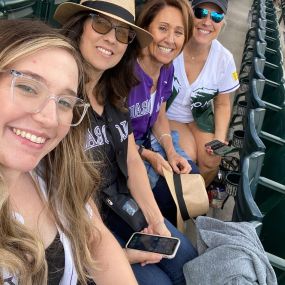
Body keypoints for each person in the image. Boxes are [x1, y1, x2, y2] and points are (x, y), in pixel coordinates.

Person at [54, 0, 198, 284]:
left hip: (119, 204)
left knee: (186, 258)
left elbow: (132, 159)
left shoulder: (115, 91)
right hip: (82, 225)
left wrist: (155, 219)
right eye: (101, 24)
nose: (111, 38)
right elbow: (69, 197)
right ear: (80, 25)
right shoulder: (60, 98)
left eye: (122, 33)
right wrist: (118, 254)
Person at [0, 19, 138, 285]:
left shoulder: (56, 164)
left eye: (65, 102)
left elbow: (94, 233)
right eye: (28, 87)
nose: (50, 119)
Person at [127, 0, 199, 225]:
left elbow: (159, 115)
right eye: (163, 28)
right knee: (170, 198)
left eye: (179, 32)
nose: (170, 40)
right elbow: (114, 137)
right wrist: (150, 155)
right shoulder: (125, 72)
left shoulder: (167, 68)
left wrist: (171, 152)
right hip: (122, 151)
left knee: (191, 179)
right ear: (146, 28)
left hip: (147, 141)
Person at [166, 0, 240, 186]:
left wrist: (219, 139)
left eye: (216, 16)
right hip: (168, 115)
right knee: (188, 155)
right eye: (200, 12)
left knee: (212, 159)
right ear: (190, 14)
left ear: (223, 22)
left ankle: (197, 200)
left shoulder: (224, 58)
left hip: (199, 118)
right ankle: (181, 202)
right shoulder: (172, 45)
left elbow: (222, 103)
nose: (207, 22)